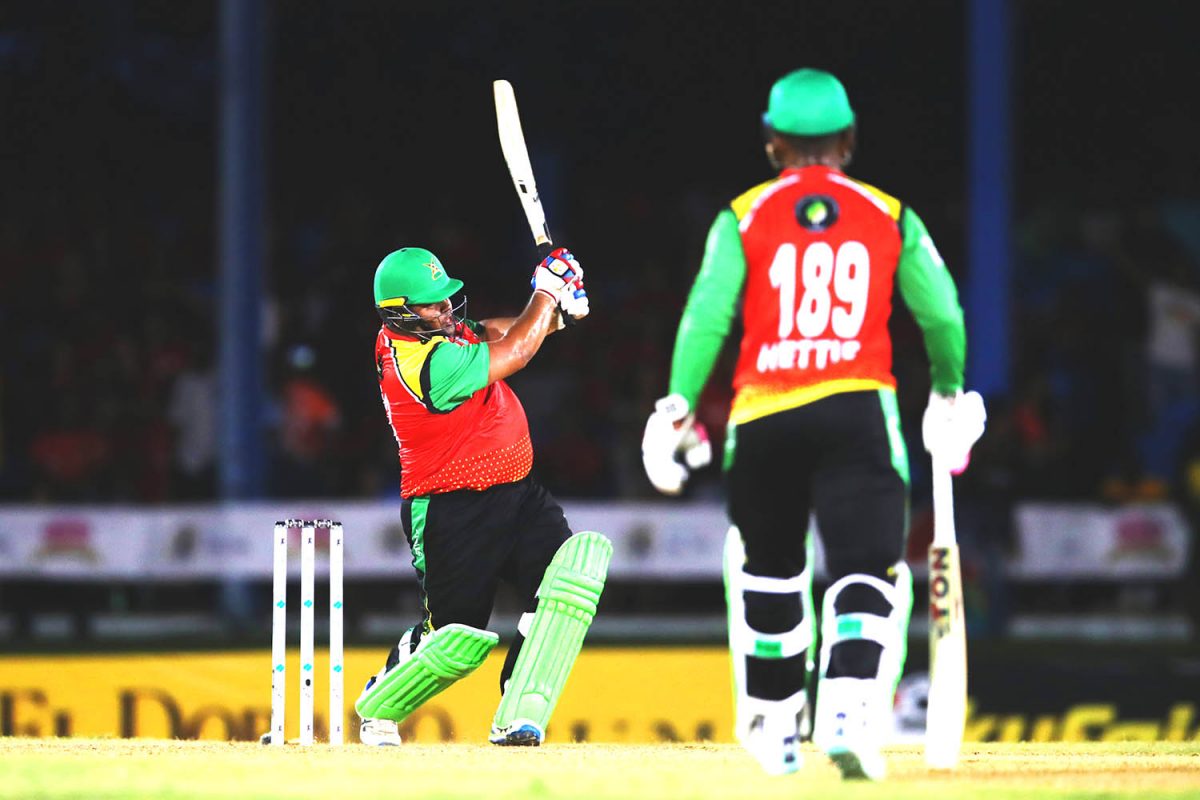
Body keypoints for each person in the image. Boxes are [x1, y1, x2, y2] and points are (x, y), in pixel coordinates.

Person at [641, 69, 985, 779]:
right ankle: (849, 709)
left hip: (763, 415)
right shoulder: (890, 214)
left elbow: (706, 316)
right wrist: (948, 392)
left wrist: (675, 404)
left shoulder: (742, 215)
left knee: (772, 574)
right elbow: (943, 314)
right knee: (865, 570)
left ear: (773, 143)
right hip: (856, 409)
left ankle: (773, 722)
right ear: (848, 140)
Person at [355, 246, 612, 747]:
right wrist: (546, 290)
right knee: (454, 640)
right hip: (452, 511)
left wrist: (559, 313)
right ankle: (381, 700)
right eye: (433, 305)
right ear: (399, 314)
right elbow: (514, 350)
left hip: (519, 495)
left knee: (568, 579)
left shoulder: (432, 331)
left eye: (446, 298)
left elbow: (499, 331)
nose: (447, 309)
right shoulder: (422, 365)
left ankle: (519, 714)